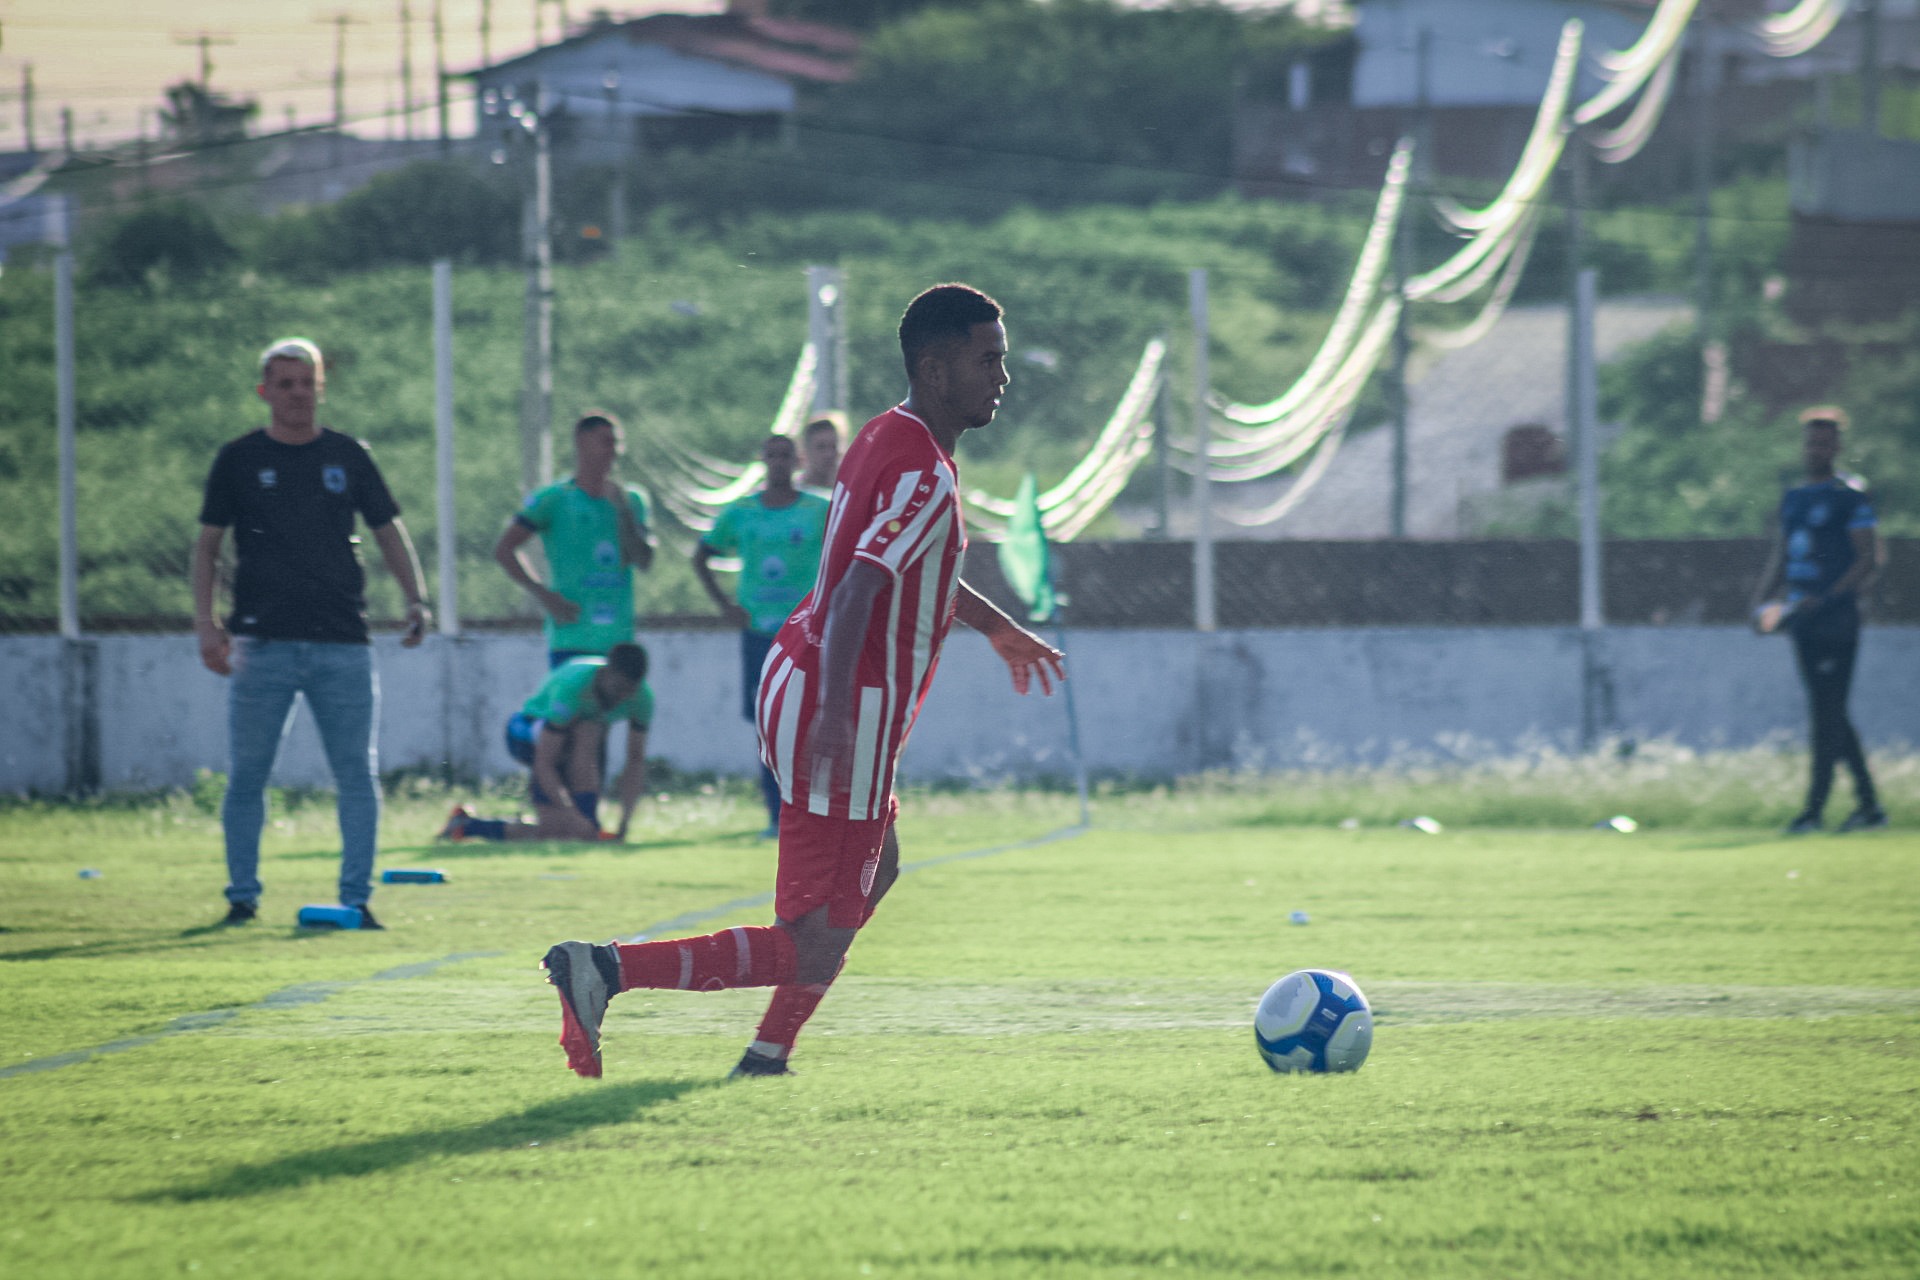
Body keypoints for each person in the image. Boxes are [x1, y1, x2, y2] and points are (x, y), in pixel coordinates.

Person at [540, 284, 1065, 1079]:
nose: (1002, 376)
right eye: (987, 359)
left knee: (871, 872)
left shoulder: (887, 436)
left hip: (802, 671)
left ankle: (767, 1053)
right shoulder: (926, 471)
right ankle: (605, 970)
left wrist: (997, 628)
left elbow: (910, 572)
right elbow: (860, 586)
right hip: (843, 702)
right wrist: (835, 712)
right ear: (934, 365)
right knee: (811, 935)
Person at [192, 337, 431, 929]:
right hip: (260, 642)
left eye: (307, 383)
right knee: (248, 773)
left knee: (356, 771)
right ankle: (241, 897)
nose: (298, 394)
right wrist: (206, 623)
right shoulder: (239, 459)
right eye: (285, 383)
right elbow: (207, 547)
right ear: (265, 391)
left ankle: (357, 897)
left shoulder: (348, 456)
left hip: (342, 642)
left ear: (320, 388)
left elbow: (388, 531)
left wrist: (415, 597)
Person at [1749, 405, 1888, 835]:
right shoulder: (1795, 497)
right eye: (1812, 441)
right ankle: (1868, 807)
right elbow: (1783, 553)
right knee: (1829, 712)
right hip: (1801, 619)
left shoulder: (1850, 495)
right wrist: (1761, 600)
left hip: (1836, 620)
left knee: (1826, 714)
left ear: (1838, 447)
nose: (1817, 448)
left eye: (1825, 441)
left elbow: (1869, 558)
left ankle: (1814, 811)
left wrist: (1829, 599)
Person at [693, 435, 831, 838]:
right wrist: (725, 606)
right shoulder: (741, 512)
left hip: (805, 634)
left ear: (798, 460)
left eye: (786, 455)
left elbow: (845, 554)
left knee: (811, 723)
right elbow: (701, 556)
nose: (778, 462)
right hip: (759, 635)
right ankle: (778, 816)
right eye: (771, 455)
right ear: (762, 461)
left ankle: (815, 812)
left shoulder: (818, 509)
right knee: (768, 725)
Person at [441, 644, 653, 843]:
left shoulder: (642, 698)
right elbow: (545, 762)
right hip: (525, 735)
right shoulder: (572, 688)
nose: (622, 697)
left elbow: (635, 760)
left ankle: (467, 826)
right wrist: (571, 815)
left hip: (571, 745)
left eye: (630, 691)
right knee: (587, 731)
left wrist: (624, 824)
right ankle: (584, 823)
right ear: (606, 673)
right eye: (618, 688)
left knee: (561, 832)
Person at [494, 413, 655, 668]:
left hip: (618, 641)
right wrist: (544, 595)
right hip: (572, 636)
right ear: (582, 442)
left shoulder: (632, 500)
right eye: (606, 442)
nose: (613, 452)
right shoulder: (554, 499)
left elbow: (644, 561)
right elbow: (504, 549)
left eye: (617, 444)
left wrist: (623, 513)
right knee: (572, 705)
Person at [799, 413, 844, 496]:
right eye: (821, 447)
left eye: (833, 447)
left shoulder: (846, 494)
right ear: (806, 451)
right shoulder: (794, 495)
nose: (829, 454)